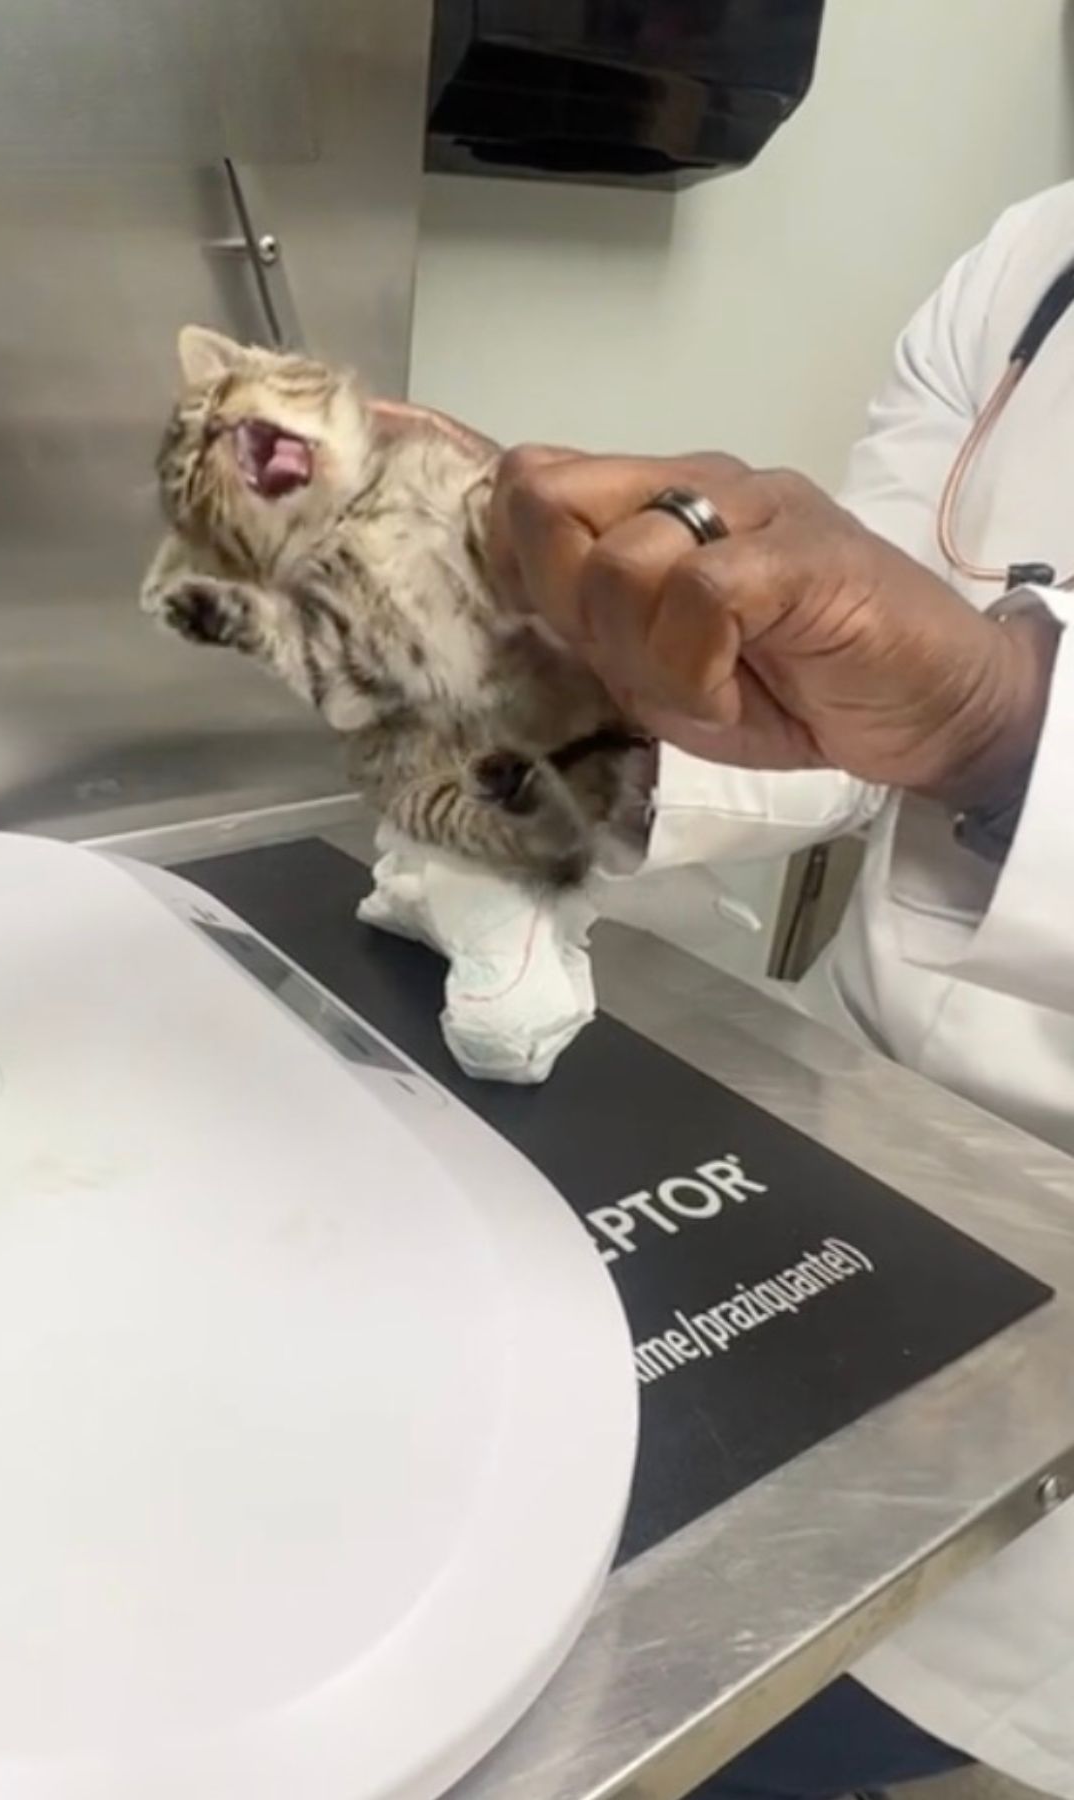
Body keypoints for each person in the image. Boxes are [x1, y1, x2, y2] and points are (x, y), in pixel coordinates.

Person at [397, 180, 1074, 1798]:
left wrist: (1012, 728)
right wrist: (569, 706)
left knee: (791, 1732)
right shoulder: (1036, 262)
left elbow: (955, 700)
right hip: (871, 1166)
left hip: (1043, 1464)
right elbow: (843, 686)